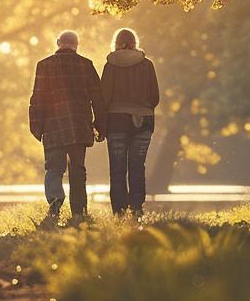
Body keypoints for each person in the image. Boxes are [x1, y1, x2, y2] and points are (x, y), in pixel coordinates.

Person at [29, 30, 106, 220]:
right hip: (79, 126)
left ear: (58, 43)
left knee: (54, 168)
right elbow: (98, 98)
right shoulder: (86, 65)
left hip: (52, 126)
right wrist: (101, 126)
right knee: (78, 170)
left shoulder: (44, 65)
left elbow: (37, 99)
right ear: (76, 45)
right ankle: (79, 213)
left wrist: (37, 128)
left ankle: (55, 207)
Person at [100, 28, 160, 218]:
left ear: (116, 43)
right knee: (137, 165)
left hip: (116, 121)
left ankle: (118, 211)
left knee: (117, 167)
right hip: (142, 121)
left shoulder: (110, 66)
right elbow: (154, 97)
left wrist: (100, 124)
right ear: (135, 42)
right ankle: (136, 208)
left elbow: (104, 98)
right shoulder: (147, 65)